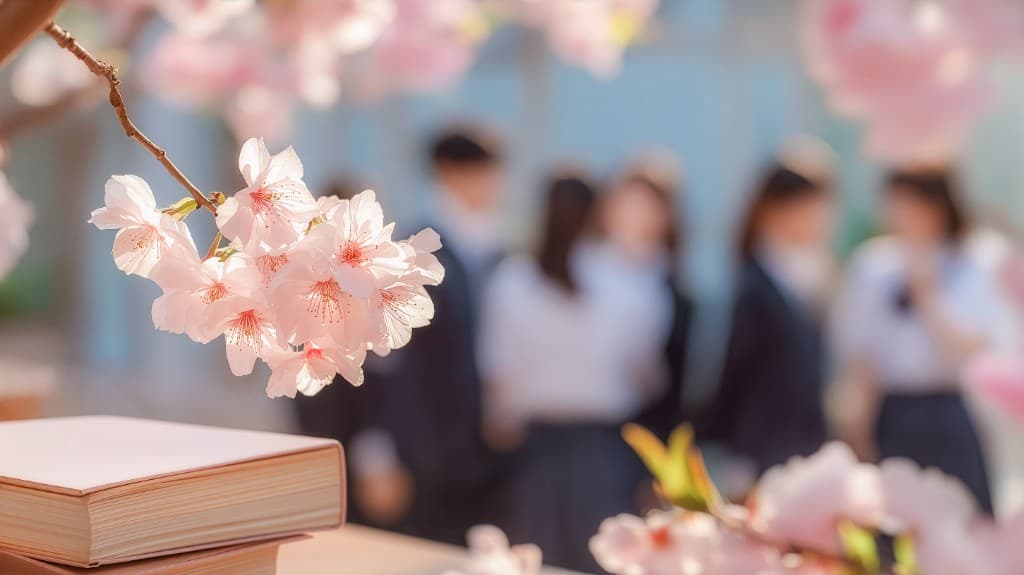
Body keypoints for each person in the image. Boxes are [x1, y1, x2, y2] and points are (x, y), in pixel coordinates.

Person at [295, 125, 507, 543]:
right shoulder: (417, 252)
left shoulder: (495, 252)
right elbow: (386, 361)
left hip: (473, 452)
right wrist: (377, 453)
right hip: (420, 452)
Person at [480, 162, 683, 571]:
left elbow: (498, 378)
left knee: (534, 561)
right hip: (604, 450)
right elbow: (647, 376)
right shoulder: (626, 280)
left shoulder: (512, 278)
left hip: (534, 451)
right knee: (601, 562)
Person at [834, 167, 996, 513]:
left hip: (946, 408)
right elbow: (861, 357)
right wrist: (856, 429)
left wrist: (927, 296)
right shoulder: (873, 263)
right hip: (893, 412)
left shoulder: (974, 259)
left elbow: (974, 344)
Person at [702, 154, 836, 474]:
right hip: (764, 447)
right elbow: (734, 371)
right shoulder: (754, 283)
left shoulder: (816, 273)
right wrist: (733, 451)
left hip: (808, 445)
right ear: (776, 209)